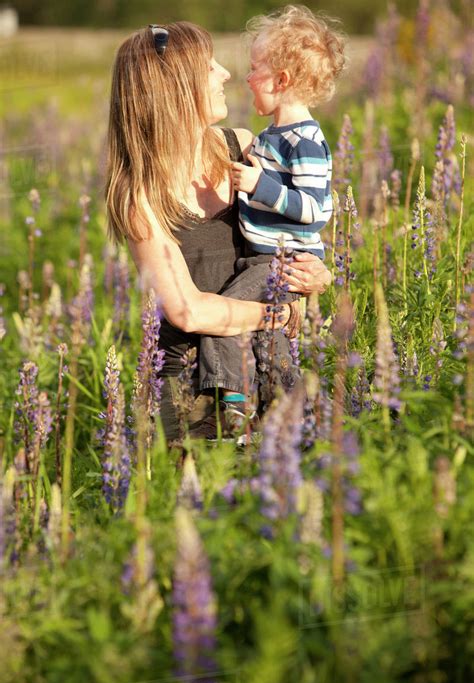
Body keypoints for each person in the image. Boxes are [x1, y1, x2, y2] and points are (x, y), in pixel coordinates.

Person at [105, 20, 332, 442]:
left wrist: (318, 275)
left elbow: (293, 231)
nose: (226, 73)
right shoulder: (141, 197)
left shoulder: (242, 147)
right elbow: (188, 311)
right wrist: (277, 314)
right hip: (191, 388)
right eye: (209, 67)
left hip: (263, 357)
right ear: (175, 86)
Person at [197, 6, 346, 440]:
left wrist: (259, 183)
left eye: (255, 69)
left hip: (279, 262)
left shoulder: (307, 142)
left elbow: (316, 210)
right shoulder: (269, 139)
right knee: (270, 343)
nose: (245, 78)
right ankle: (302, 417)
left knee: (225, 319)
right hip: (263, 260)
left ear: (281, 81)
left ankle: (235, 407)